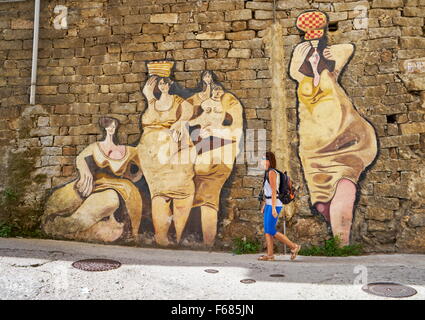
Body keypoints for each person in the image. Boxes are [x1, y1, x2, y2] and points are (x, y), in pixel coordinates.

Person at [289, 10, 377, 246]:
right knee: (320, 198)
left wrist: (328, 52)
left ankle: (341, 244)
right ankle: (340, 242)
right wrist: (304, 60)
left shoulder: (330, 72)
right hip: (314, 143)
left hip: (343, 134)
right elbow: (293, 72)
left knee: (344, 178)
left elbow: (347, 48)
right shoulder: (303, 79)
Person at [41, 117, 143, 243]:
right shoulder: (96, 147)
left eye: (114, 126)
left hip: (118, 186)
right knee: (68, 197)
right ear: (104, 128)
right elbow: (80, 158)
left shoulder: (128, 150)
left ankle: (67, 226)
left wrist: (132, 177)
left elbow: (141, 167)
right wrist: (86, 174)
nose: (111, 128)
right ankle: (60, 225)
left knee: (108, 202)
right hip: (96, 182)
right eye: (109, 126)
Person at [138, 64, 197, 247]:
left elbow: (188, 112)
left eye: (165, 84)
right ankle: (161, 237)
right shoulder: (152, 103)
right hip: (151, 158)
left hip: (172, 155)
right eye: (159, 84)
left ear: (170, 84)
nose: (162, 87)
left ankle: (178, 236)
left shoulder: (179, 102)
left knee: (181, 192)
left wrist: (180, 123)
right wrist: (148, 98)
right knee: (159, 194)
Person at [189, 84, 243, 246]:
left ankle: (207, 243)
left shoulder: (228, 122)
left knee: (208, 200)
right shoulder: (199, 124)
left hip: (216, 163)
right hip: (199, 160)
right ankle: (201, 240)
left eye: (217, 111)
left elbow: (235, 132)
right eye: (208, 110)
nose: (211, 113)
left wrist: (214, 131)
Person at [258, 152, 301, 261]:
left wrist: (273, 208)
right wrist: (264, 204)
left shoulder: (272, 173)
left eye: (263, 159)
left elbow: (273, 191)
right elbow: (266, 191)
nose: (261, 162)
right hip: (269, 203)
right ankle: (270, 255)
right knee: (267, 231)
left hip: (275, 204)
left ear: (269, 161)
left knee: (270, 230)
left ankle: (294, 246)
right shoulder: (267, 172)